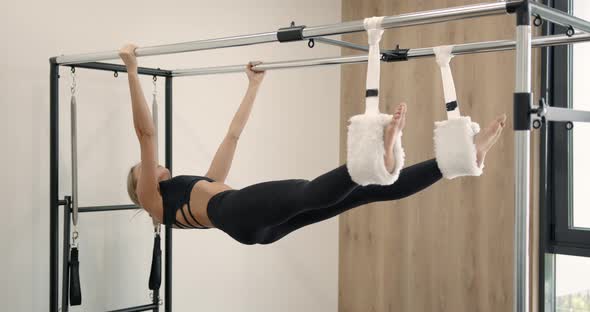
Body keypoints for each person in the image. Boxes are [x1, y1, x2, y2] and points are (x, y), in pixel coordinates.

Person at [121, 44, 506, 245]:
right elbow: (147, 134)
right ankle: (372, 155)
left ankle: (458, 158)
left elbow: (232, 136)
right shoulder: (154, 201)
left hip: (251, 224)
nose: (153, 166)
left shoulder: (195, 188)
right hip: (238, 213)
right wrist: (133, 72)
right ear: (141, 190)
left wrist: (253, 87)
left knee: (364, 193)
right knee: (309, 192)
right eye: (144, 171)